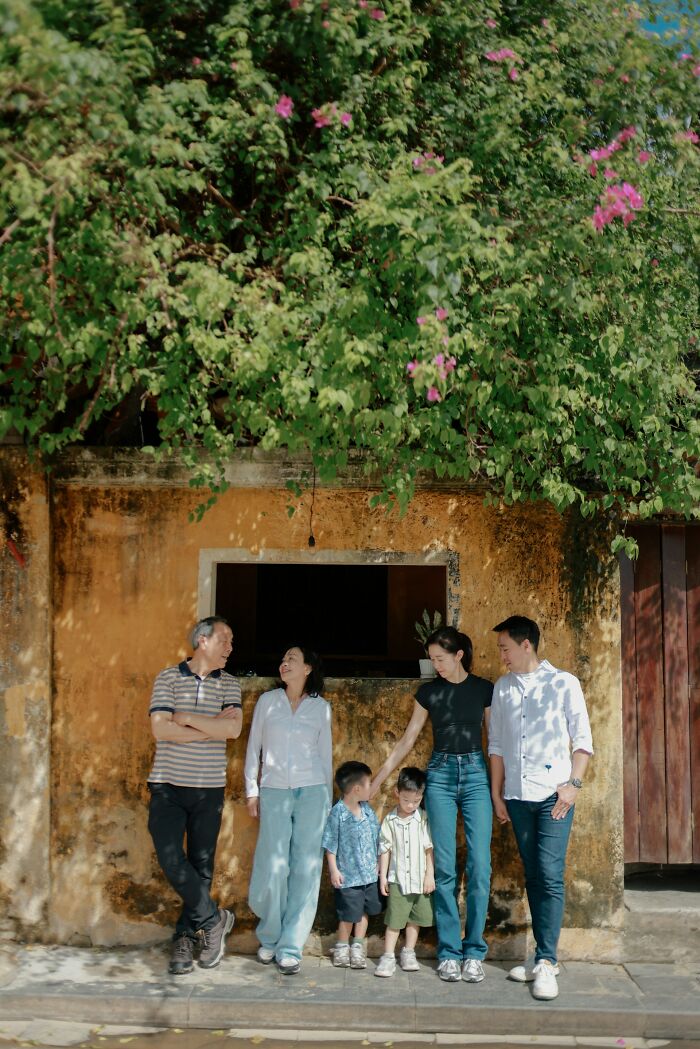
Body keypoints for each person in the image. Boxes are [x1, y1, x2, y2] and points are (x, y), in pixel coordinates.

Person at [370, 626, 493, 983]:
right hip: (438, 774)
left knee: (480, 865)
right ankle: (449, 952)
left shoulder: (484, 689)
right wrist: (379, 778)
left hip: (475, 774)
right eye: (431, 658)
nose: (434, 664)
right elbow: (409, 739)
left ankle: (474, 951)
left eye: (440, 658)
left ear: (458, 655)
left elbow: (495, 741)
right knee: (443, 867)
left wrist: (498, 790)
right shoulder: (428, 693)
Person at [488, 615, 593, 1002]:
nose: (502, 656)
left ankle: (547, 961)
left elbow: (583, 740)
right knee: (533, 874)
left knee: (549, 874)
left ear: (526, 645)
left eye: (505, 648)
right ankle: (541, 956)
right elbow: (496, 744)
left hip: (554, 796)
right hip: (516, 796)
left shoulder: (564, 683)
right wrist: (497, 794)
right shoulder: (503, 688)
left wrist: (573, 786)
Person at [147, 615, 242, 976]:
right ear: (203, 640)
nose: (230, 647)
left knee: (201, 868)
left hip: (208, 788)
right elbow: (159, 729)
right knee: (171, 858)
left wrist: (185, 718)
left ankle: (185, 939)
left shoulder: (229, 684)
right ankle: (215, 919)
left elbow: (232, 730)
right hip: (167, 786)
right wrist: (209, 729)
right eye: (225, 639)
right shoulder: (168, 678)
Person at [245, 645, 332, 975]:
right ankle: (270, 937)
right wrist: (252, 790)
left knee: (306, 867)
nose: (284, 664)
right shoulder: (268, 702)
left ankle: (291, 945)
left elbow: (324, 756)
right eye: (282, 659)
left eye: (291, 660)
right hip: (274, 790)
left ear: (308, 668)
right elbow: (254, 747)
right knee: (273, 864)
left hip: (312, 792)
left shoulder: (320, 708)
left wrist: (327, 798)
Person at [375, 766, 435, 978]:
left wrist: (430, 875)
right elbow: (385, 850)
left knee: (415, 919)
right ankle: (388, 956)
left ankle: (408, 952)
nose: (411, 805)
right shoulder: (389, 821)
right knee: (394, 920)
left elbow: (429, 849)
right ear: (397, 793)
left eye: (416, 801)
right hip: (398, 879)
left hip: (420, 880)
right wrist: (382, 877)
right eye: (406, 800)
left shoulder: (424, 819)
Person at [322, 760, 382, 970]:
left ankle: (357, 946)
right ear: (357, 789)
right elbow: (331, 844)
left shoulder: (368, 811)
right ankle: (341, 946)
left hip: (368, 875)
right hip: (348, 877)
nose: (371, 788)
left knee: (364, 911)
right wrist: (333, 869)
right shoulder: (337, 813)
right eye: (369, 784)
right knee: (348, 914)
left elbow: (377, 838)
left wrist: (378, 864)